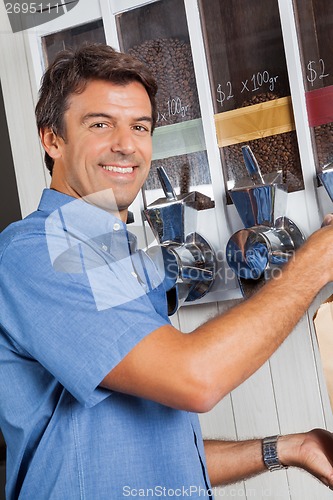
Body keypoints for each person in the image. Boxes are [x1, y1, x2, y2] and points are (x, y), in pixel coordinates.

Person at [0, 42, 332, 500]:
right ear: (52, 139)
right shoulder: (35, 252)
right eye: (100, 124)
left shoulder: (120, 258)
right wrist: (315, 261)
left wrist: (289, 448)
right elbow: (194, 379)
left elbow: (157, 455)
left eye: (140, 126)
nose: (125, 144)